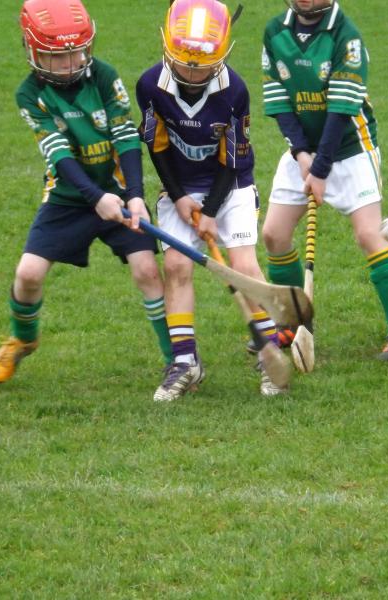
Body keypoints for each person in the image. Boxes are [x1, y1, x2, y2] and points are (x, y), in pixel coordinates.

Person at [0, 0, 172, 389]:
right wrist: (94, 197)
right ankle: (22, 338)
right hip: (69, 197)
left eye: (77, 53)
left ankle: (178, 361)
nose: (71, 64)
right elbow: (59, 153)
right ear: (33, 52)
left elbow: (124, 135)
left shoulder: (103, 76)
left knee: (148, 271)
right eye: (58, 57)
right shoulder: (29, 94)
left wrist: (134, 195)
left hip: (117, 191)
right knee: (29, 274)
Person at [136, 0, 284, 401]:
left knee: (244, 263)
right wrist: (182, 197)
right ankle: (185, 361)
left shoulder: (234, 90)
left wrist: (212, 210)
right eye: (185, 65)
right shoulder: (150, 85)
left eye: (203, 66)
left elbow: (232, 160)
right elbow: (158, 147)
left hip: (230, 186)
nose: (192, 73)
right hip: (180, 185)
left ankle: (268, 354)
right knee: (177, 264)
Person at [261, 0, 388, 361]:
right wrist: (302, 155)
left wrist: (320, 169)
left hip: (349, 146)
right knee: (274, 234)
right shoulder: (275, 31)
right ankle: (293, 321)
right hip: (302, 147)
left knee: (368, 234)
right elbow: (278, 101)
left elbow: (341, 109)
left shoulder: (345, 36)